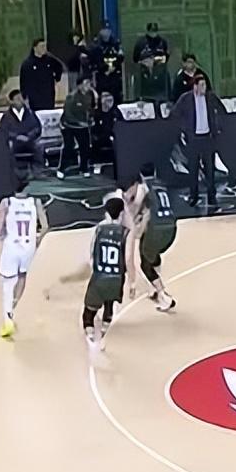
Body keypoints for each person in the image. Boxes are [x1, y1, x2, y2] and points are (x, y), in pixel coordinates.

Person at [0, 177, 49, 339]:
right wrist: (37, 240)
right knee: (22, 276)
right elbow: (45, 227)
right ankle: (14, 306)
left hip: (12, 246)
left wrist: (3, 235)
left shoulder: (6, 203)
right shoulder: (36, 202)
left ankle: (8, 319)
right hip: (28, 246)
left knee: (7, 282)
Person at [82, 195, 138, 354]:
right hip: (116, 278)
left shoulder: (99, 229)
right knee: (109, 305)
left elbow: (91, 255)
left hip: (99, 276)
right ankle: (104, 333)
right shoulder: (126, 233)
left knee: (88, 314)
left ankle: (91, 337)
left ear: (106, 213)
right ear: (121, 214)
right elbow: (128, 259)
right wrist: (132, 282)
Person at [125, 163, 178, 312]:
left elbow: (137, 206)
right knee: (153, 256)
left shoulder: (143, 187)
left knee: (145, 264)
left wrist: (132, 218)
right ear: (154, 173)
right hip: (172, 226)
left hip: (156, 228)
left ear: (141, 176)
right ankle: (154, 287)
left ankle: (164, 296)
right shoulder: (161, 185)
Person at [170, 75, 226, 208]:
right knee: (193, 169)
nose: (204, 88)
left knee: (209, 168)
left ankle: (211, 195)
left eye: (205, 85)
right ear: (194, 86)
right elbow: (175, 114)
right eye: (201, 85)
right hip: (193, 139)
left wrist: (217, 127)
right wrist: (184, 129)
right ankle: (193, 195)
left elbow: (222, 110)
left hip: (208, 138)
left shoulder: (210, 97)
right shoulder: (186, 99)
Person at [58, 78, 95, 178]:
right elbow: (68, 115)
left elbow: (90, 109)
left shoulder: (90, 94)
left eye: (89, 83)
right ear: (79, 85)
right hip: (68, 125)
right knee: (69, 146)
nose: (88, 85)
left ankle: (84, 168)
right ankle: (62, 169)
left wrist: (90, 120)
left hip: (82, 125)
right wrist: (79, 122)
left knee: (85, 146)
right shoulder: (72, 97)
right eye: (86, 83)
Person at [19, 38, 63, 113]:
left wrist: (57, 79)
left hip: (48, 96)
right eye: (41, 46)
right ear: (35, 48)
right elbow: (23, 81)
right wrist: (24, 96)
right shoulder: (27, 64)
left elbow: (59, 67)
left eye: (45, 46)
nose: (44, 48)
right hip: (34, 98)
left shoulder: (50, 60)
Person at [0, 90, 42, 165]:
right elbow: (4, 131)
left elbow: (37, 128)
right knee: (7, 151)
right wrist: (17, 136)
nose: (20, 101)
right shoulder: (6, 117)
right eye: (17, 99)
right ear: (12, 101)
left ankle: (38, 169)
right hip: (15, 143)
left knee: (39, 147)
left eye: (21, 98)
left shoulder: (30, 113)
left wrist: (29, 136)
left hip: (29, 141)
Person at [132, 22, 170, 103]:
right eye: (151, 31)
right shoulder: (141, 43)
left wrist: (158, 60)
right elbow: (135, 58)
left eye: (155, 31)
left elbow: (166, 57)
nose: (153, 33)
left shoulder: (162, 42)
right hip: (144, 74)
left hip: (159, 75)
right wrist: (145, 61)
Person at [90, 21, 124, 101]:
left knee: (116, 98)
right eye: (104, 30)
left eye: (108, 30)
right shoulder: (96, 46)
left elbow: (120, 58)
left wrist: (113, 66)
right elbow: (95, 61)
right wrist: (106, 69)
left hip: (115, 78)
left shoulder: (116, 45)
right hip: (102, 78)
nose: (106, 33)